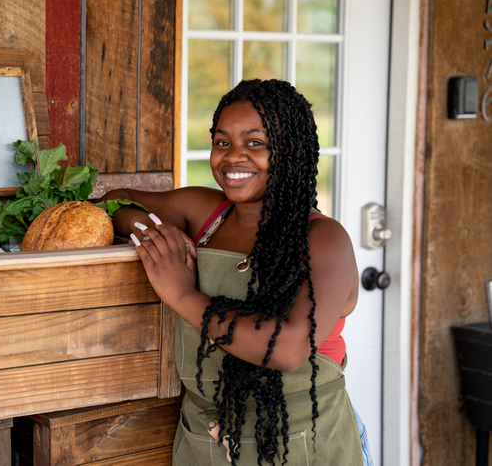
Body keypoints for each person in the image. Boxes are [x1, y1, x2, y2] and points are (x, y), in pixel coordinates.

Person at [98, 79, 370, 465]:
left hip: (302, 442)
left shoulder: (324, 239)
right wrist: (158, 232)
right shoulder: (206, 213)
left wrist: (182, 295)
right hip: (205, 440)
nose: (232, 157)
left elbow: (290, 347)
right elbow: (114, 203)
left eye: (255, 143)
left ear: (289, 150)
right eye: (222, 142)